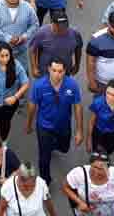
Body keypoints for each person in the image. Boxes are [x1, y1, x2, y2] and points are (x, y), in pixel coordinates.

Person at [26, 57, 83, 185]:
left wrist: (79, 131)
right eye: (54, 70)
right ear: (48, 69)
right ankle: (45, 181)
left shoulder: (72, 85)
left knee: (64, 148)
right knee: (44, 157)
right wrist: (29, 124)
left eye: (60, 71)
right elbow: (32, 106)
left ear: (65, 71)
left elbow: (78, 106)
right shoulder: (39, 86)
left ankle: (52, 145)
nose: (57, 74)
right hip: (44, 126)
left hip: (63, 125)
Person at [0, 0, 40, 72]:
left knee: (23, 73)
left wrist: (24, 36)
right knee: (2, 74)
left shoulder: (28, 7)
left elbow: (35, 24)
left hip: (21, 50)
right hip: (2, 51)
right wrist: (7, 38)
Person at [62, 152, 114, 216]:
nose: (97, 172)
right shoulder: (79, 173)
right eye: (94, 167)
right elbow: (65, 187)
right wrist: (80, 202)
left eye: (101, 168)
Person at [28, 9, 83, 78]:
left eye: (65, 26)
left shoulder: (75, 34)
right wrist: (34, 68)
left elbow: (78, 48)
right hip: (45, 73)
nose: (62, 29)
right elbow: (32, 49)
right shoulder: (42, 33)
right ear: (53, 24)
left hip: (65, 72)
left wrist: (77, 65)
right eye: (59, 27)